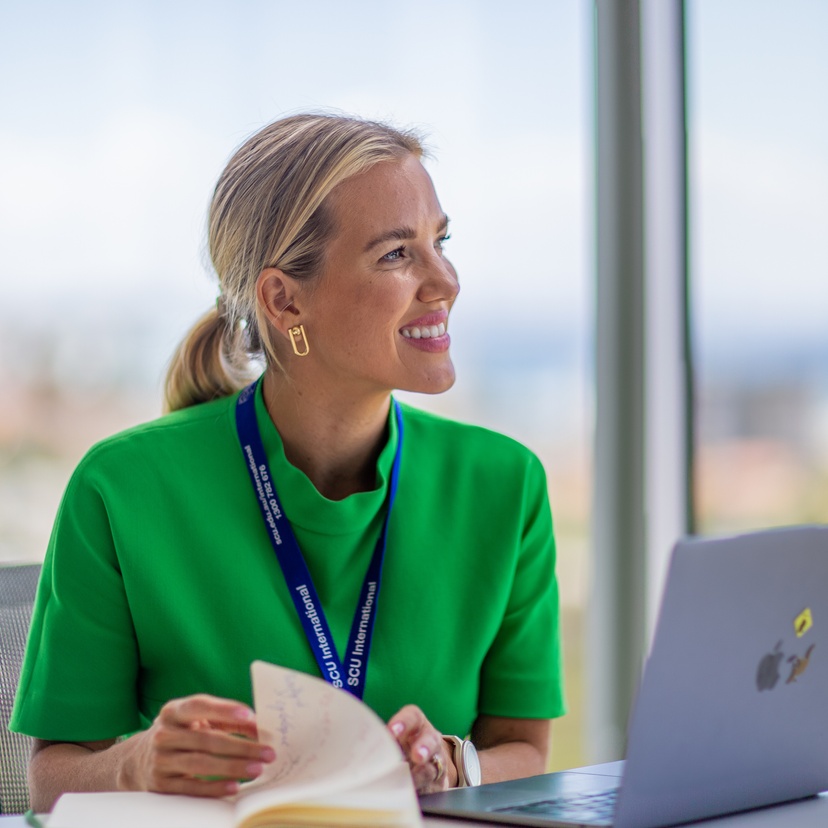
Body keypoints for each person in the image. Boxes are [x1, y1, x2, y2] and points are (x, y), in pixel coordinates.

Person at [11, 113, 565, 811]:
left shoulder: (505, 485)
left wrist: (457, 765)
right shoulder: (122, 487)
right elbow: (50, 778)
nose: (445, 279)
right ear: (283, 299)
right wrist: (135, 763)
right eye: (397, 253)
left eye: (440, 241)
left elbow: (527, 751)